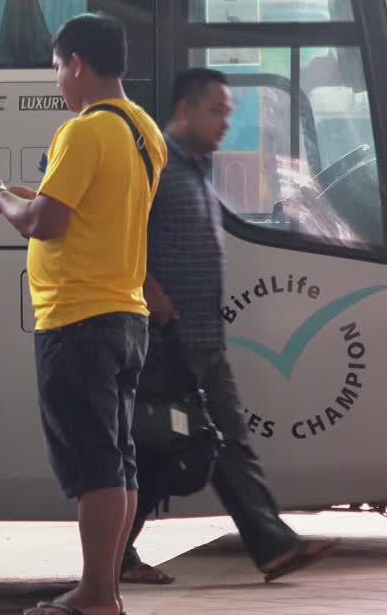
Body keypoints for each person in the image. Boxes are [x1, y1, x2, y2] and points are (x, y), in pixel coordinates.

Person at [0, 13, 166, 615]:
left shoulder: (84, 131)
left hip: (78, 317)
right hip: (126, 317)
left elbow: (45, 223)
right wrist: (21, 193)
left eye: (56, 68)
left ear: (76, 61)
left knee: (95, 462)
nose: (57, 82)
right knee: (118, 458)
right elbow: (83, 208)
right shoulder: (142, 131)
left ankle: (97, 594)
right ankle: (106, 588)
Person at [121, 68, 336, 586]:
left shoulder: (194, 169)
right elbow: (121, 238)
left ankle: (270, 545)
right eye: (216, 111)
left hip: (201, 339)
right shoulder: (159, 166)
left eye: (228, 112)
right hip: (170, 339)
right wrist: (151, 290)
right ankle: (266, 546)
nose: (225, 122)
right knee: (178, 444)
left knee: (217, 442)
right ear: (185, 110)